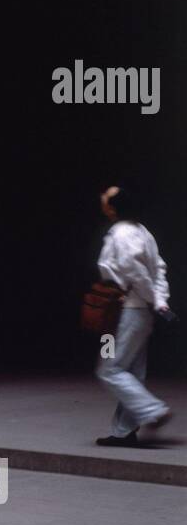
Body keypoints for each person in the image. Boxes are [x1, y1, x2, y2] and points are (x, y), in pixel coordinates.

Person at [94, 184, 173, 446]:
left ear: (113, 207)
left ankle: (152, 410)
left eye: (107, 195)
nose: (102, 196)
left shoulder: (122, 234)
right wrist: (159, 302)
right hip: (144, 310)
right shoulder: (143, 232)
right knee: (132, 372)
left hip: (130, 308)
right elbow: (159, 268)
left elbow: (135, 273)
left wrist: (152, 298)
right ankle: (123, 432)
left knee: (111, 370)